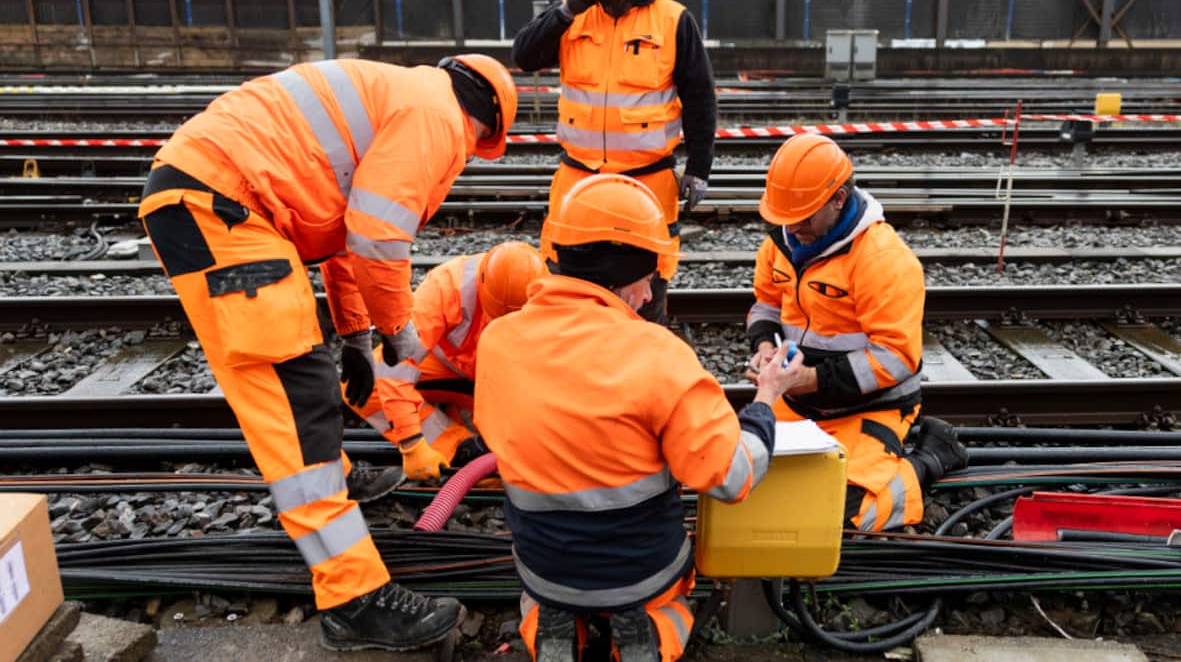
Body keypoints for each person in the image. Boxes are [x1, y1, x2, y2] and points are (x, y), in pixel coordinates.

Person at [137, 55, 517, 653]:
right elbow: (377, 235)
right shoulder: (439, 119)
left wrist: (358, 338)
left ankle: (340, 478)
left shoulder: (400, 96)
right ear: (485, 128)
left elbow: (343, 239)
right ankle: (353, 598)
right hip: (223, 205)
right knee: (296, 400)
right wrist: (397, 331)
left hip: (221, 200)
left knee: (305, 369)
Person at [474, 174, 806, 662]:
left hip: (543, 568)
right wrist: (765, 398)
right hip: (640, 569)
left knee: (547, 593)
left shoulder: (497, 342)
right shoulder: (659, 355)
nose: (650, 296)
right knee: (666, 603)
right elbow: (731, 478)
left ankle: (554, 625)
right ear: (625, 276)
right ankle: (650, 628)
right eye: (648, 279)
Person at [744, 133, 968, 532]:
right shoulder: (779, 242)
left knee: (845, 514)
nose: (794, 229)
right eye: (785, 217)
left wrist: (809, 379)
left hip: (867, 408)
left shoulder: (882, 259)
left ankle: (929, 459)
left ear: (839, 199)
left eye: (805, 217)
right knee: (744, 481)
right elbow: (766, 305)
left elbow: (896, 357)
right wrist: (764, 348)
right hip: (797, 402)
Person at [512, 0, 717, 324]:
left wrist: (699, 167)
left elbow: (700, 97)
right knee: (566, 293)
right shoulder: (573, 16)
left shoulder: (674, 20)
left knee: (646, 300)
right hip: (580, 182)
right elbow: (524, 56)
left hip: (646, 183)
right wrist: (564, 11)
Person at [329, 241, 548, 481]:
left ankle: (472, 420)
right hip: (445, 369)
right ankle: (458, 446)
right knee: (367, 385)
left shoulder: (553, 296)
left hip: (501, 380)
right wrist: (411, 443)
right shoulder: (446, 287)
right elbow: (398, 367)